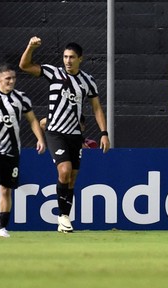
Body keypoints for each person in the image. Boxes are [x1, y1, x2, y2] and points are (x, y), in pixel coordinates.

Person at [19, 36, 110, 233]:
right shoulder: (54, 73)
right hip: (55, 132)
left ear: (80, 59)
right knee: (65, 171)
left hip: (75, 136)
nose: (68, 61)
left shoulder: (88, 81)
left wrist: (104, 133)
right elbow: (24, 66)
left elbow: (96, 108)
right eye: (65, 57)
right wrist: (30, 47)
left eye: (72, 57)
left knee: (72, 178)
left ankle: (65, 218)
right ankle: (62, 216)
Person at [0, 63, 46, 238]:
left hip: (12, 151)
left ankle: (3, 227)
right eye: (8, 78)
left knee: (6, 190)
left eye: (13, 78)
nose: (11, 81)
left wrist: (40, 139)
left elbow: (32, 120)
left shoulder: (21, 99)